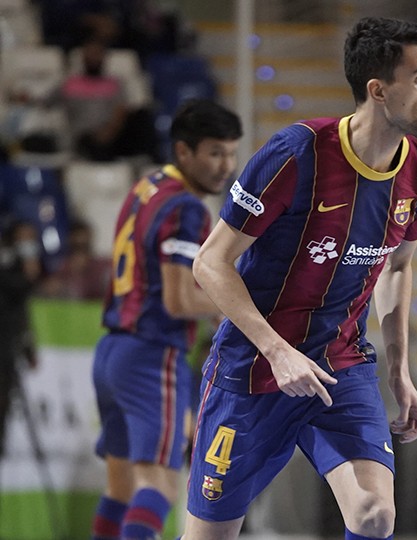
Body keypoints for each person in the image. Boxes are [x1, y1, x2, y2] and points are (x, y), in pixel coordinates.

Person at [183, 17, 417, 540]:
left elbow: (397, 265)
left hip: (341, 367)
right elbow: (210, 262)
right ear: (378, 90)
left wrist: (399, 372)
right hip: (253, 371)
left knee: (375, 516)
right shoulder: (296, 153)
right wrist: (279, 352)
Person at [90, 99, 241, 540]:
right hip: (152, 353)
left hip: (112, 351)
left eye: (231, 153)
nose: (225, 166)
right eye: (215, 152)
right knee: (161, 486)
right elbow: (178, 302)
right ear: (183, 151)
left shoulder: (148, 186)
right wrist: (236, 305)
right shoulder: (187, 209)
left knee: (120, 487)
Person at [0, 220, 42, 457]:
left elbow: (22, 313)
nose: (28, 244)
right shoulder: (6, 262)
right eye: (23, 238)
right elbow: (15, 287)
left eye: (31, 239)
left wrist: (28, 348)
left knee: (5, 404)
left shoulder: (20, 268)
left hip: (9, 348)